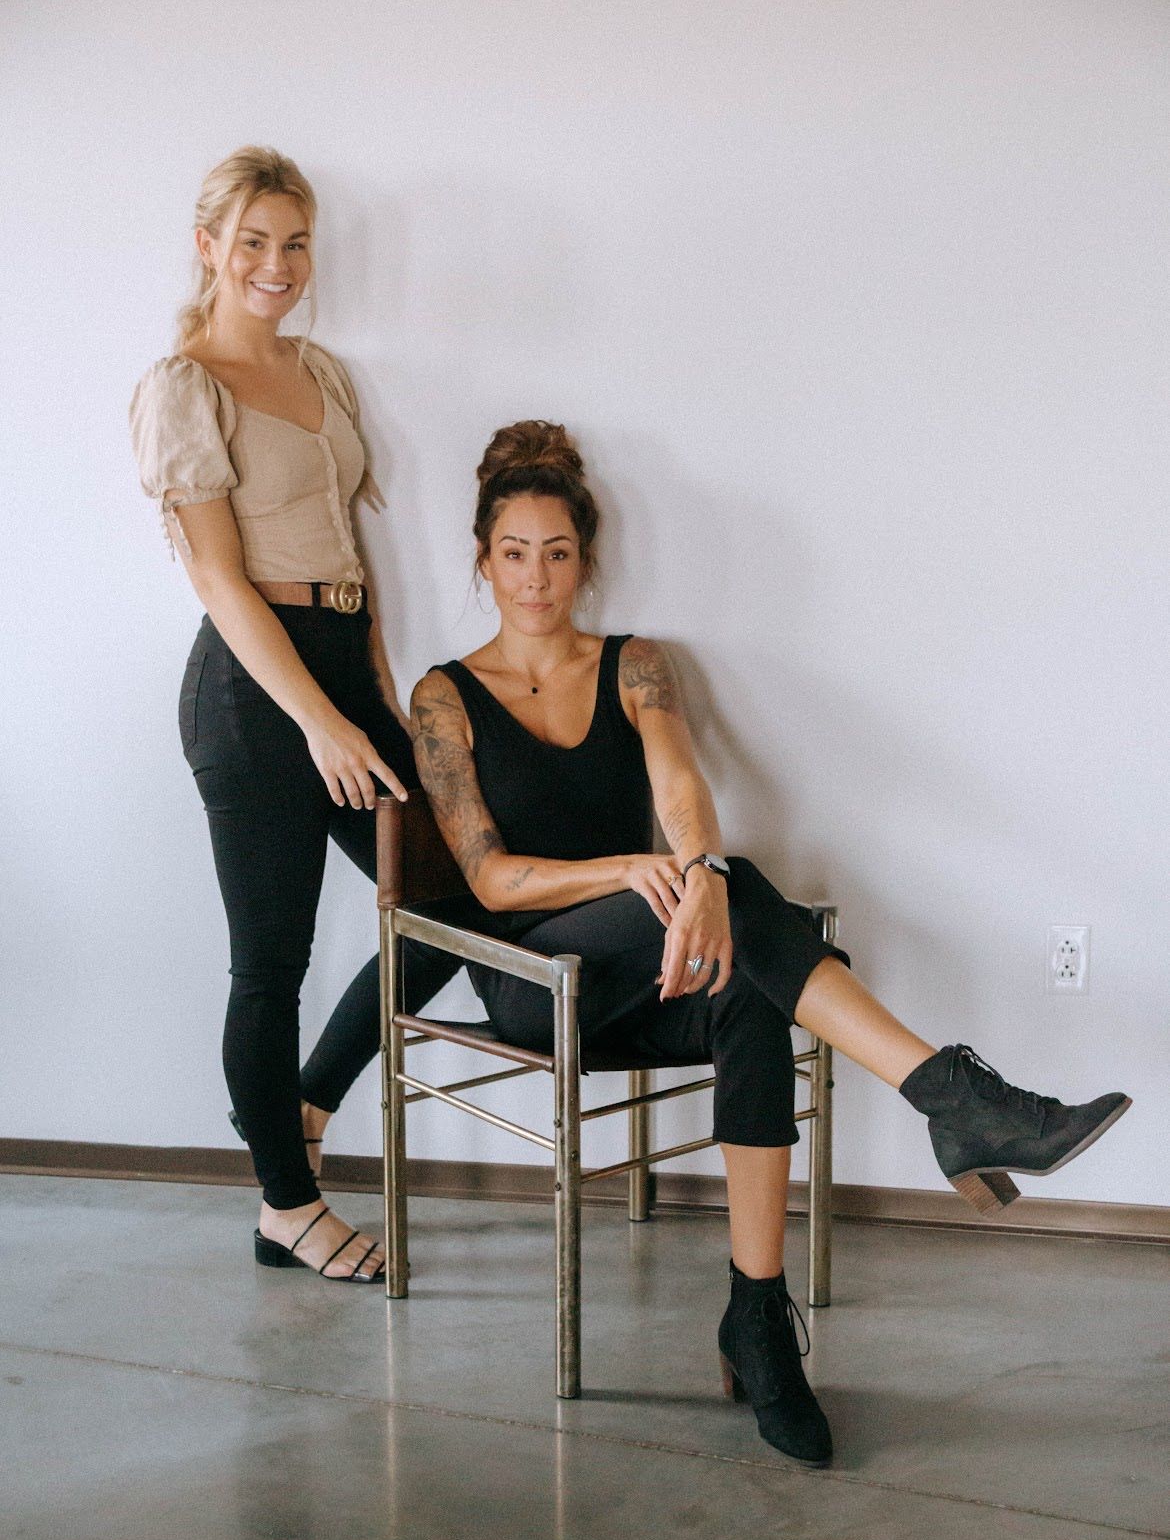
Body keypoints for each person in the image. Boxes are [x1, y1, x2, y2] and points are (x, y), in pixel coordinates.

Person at [408, 419, 1131, 1465]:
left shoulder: (634, 666)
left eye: (557, 553)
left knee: (746, 978)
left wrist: (695, 872)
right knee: (733, 897)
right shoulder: (444, 694)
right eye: (515, 553)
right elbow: (487, 877)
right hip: (535, 980)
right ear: (484, 560)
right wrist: (638, 871)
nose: (536, 576)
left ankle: (758, 1319)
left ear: (587, 563)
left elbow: (681, 789)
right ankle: (952, 1098)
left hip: (647, 956)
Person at [130, 147, 460, 1283]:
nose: (279, 264)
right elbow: (221, 580)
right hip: (251, 688)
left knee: (447, 899)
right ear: (210, 247)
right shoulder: (185, 386)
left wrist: (375, 693)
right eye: (256, 241)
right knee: (272, 956)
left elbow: (350, 553)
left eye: (297, 242)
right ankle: (285, 1202)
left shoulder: (323, 370)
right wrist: (318, 721)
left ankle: (305, 1103)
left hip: (343, 669)